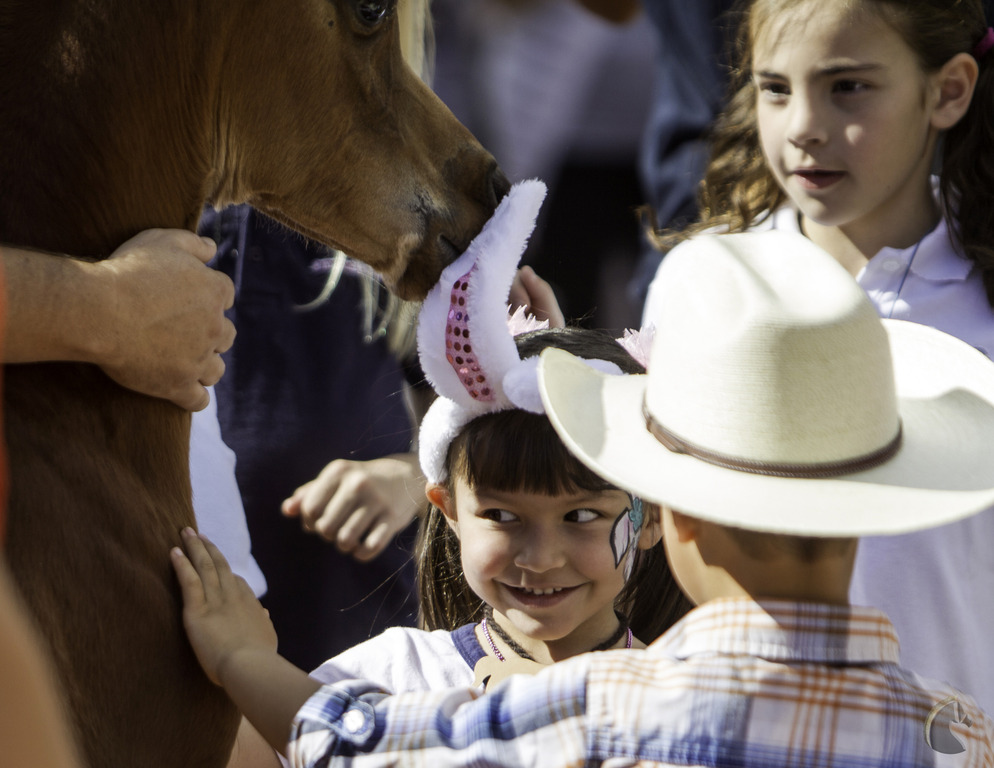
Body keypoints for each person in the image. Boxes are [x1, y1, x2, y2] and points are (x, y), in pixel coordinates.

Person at [170, 229, 994, 765]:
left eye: (580, 516)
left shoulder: (610, 709)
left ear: (672, 518)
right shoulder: (957, 733)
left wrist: (242, 659)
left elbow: (365, 746)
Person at [185, 180, 688, 766]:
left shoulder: (689, 702)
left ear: (649, 516)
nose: (540, 556)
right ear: (447, 510)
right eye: (501, 516)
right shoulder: (389, 673)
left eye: (580, 515)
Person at [643, 0, 994, 712]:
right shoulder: (705, 287)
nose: (802, 127)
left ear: (948, 90)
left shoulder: (982, 305)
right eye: (775, 88)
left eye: (848, 87)